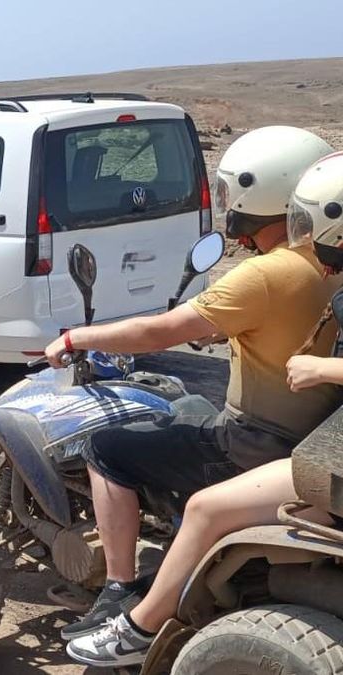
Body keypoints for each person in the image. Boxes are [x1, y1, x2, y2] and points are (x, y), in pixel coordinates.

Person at [44, 126, 341, 642]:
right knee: (182, 411)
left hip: (253, 441)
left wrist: (76, 337)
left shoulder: (265, 274)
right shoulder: (325, 269)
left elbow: (161, 330)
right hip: (313, 434)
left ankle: (119, 589)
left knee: (106, 447)